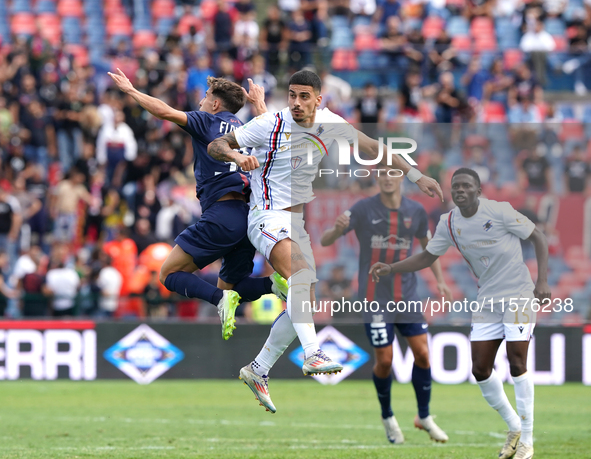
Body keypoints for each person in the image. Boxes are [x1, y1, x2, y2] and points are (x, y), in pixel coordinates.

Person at [207, 69, 444, 413]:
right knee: (301, 279)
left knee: (303, 298)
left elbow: (373, 148)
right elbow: (217, 145)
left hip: (295, 223)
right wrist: (237, 156)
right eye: (292, 95)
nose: (297, 103)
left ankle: (257, 369)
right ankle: (313, 353)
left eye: (305, 97)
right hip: (266, 216)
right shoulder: (270, 122)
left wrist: (416, 175)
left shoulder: (331, 123)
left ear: (319, 99)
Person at [370, 168, 550, 459]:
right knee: (479, 369)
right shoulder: (449, 222)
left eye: (466, 186)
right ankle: (514, 426)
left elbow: (538, 237)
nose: (460, 191)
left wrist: (542, 281)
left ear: (478, 191)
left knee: (517, 362)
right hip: (487, 300)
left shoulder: (501, 211)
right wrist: (392, 268)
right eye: (455, 187)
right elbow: (428, 256)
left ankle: (527, 442)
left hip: (518, 295)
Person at [108, 69, 287, 340]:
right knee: (234, 286)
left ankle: (218, 300)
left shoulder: (206, 121)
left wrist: (131, 91)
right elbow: (269, 130)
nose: (201, 102)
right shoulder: (249, 130)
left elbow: (165, 111)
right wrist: (258, 103)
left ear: (216, 104)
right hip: (249, 218)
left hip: (222, 214)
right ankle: (273, 285)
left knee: (169, 273)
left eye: (205, 97)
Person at [320, 163, 450, 444]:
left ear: (401, 177)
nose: (387, 178)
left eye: (393, 172)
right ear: (376, 177)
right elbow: (325, 239)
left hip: (407, 295)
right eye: (381, 173)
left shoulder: (415, 211)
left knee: (423, 354)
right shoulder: (363, 208)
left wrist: (439, 280)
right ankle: (388, 415)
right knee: (386, 360)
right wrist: (336, 229)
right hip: (373, 298)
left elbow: (429, 249)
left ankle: (424, 416)